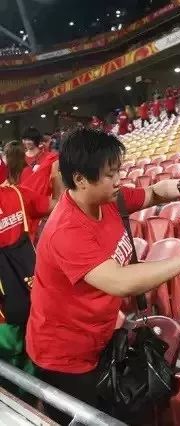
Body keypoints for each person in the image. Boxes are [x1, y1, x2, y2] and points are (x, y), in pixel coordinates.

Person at [25, 128, 180, 425]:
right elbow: (120, 281)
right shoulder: (66, 230)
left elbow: (155, 192)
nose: (119, 180)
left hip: (99, 337)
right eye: (110, 174)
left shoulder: (109, 200)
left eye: (118, 171)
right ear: (80, 179)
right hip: (64, 356)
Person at [0, 141, 58, 394]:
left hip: (5, 316)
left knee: (10, 385)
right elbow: (56, 205)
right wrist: (56, 177)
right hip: (29, 292)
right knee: (33, 364)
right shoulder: (18, 195)